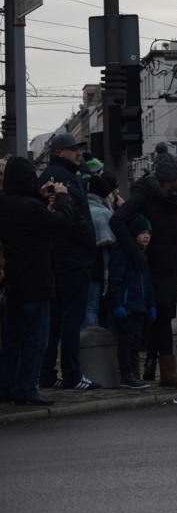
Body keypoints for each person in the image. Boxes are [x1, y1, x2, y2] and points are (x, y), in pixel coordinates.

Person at [110, 142, 177, 389]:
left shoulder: (174, 197)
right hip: (145, 268)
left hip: (168, 269)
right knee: (139, 323)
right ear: (172, 177)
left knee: (163, 320)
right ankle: (132, 373)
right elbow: (118, 220)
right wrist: (135, 252)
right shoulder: (143, 194)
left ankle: (167, 372)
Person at [0, 157, 74, 406]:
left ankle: (7, 385)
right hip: (37, 281)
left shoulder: (6, 204)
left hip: (15, 281)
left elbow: (28, 217)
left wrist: (40, 197)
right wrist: (63, 197)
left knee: (12, 338)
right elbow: (61, 223)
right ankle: (26, 387)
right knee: (36, 338)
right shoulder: (30, 208)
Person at [38, 132, 101, 391]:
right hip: (72, 256)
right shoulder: (64, 177)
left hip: (58, 256)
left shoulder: (57, 174)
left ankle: (48, 373)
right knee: (70, 317)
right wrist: (90, 240)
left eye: (79, 149)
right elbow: (74, 218)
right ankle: (73, 375)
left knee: (55, 319)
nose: (78, 153)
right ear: (59, 153)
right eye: (72, 149)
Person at [108, 214, 156, 389]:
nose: (146, 236)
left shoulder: (143, 255)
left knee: (135, 341)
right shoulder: (123, 254)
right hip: (127, 306)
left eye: (148, 233)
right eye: (142, 232)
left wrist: (151, 304)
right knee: (126, 341)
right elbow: (115, 281)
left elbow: (148, 282)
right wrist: (118, 304)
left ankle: (132, 374)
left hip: (140, 306)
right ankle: (126, 374)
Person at [85, 170, 119, 330]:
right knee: (95, 309)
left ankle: (86, 347)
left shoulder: (83, 208)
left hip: (84, 267)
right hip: (100, 269)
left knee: (88, 308)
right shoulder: (105, 214)